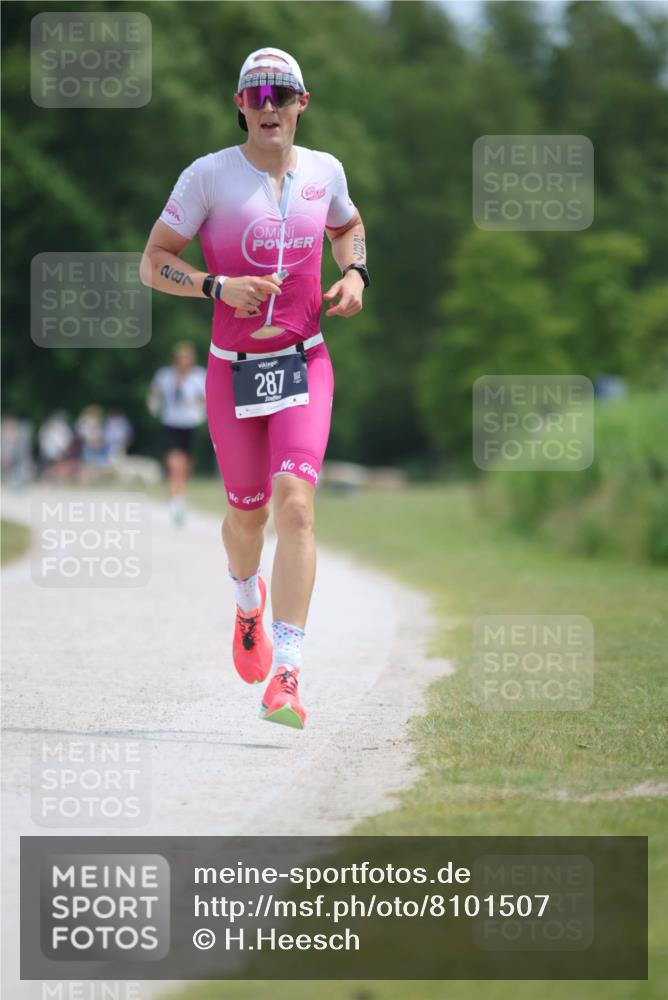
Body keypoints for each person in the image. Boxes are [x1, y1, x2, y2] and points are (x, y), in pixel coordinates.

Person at [141, 47, 368, 729]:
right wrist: (216, 285)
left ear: (304, 102)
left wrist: (356, 275)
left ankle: (289, 672)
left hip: (305, 364)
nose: (270, 106)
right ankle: (248, 605)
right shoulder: (209, 176)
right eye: (257, 95)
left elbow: (348, 227)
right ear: (239, 104)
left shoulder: (325, 172)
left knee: (296, 506)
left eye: (283, 94)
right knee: (248, 517)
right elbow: (153, 263)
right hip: (230, 371)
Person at [147, 342, 207, 525]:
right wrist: (154, 406)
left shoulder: (198, 376)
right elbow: (155, 394)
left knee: (186, 465)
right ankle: (176, 502)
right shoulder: (164, 375)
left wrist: (203, 411)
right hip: (171, 423)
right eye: (180, 357)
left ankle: (180, 495)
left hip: (191, 423)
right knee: (175, 463)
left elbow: (205, 398)